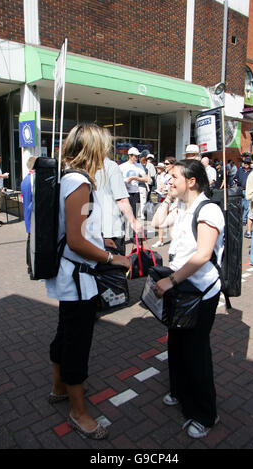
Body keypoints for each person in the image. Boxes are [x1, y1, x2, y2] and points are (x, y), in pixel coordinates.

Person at [46, 124, 130, 440]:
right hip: (77, 278)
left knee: (65, 332)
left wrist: (101, 243)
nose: (107, 153)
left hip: (69, 276)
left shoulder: (67, 178)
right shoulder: (80, 182)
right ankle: (79, 412)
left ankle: (59, 387)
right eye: (104, 148)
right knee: (77, 343)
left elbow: (78, 234)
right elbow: (76, 241)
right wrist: (113, 258)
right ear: (94, 150)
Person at [151, 159, 224, 439]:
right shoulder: (182, 205)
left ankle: (206, 414)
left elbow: (203, 255)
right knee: (177, 345)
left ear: (191, 181)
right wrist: (166, 199)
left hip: (200, 293)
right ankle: (180, 392)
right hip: (181, 289)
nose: (167, 180)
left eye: (172, 177)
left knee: (196, 353)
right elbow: (157, 223)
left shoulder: (209, 210)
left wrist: (171, 280)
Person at [95, 148, 143, 256]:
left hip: (91, 230)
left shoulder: (82, 166)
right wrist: (133, 222)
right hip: (111, 229)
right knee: (116, 267)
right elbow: (121, 199)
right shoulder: (111, 166)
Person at [119, 147, 148, 221]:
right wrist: (124, 185)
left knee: (133, 214)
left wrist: (134, 178)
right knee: (124, 214)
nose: (137, 158)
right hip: (124, 193)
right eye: (135, 156)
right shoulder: (122, 166)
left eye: (138, 156)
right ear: (130, 156)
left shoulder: (139, 166)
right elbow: (117, 180)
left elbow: (146, 179)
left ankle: (132, 231)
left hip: (135, 193)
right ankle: (123, 231)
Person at [21, 156, 38, 277]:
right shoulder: (32, 180)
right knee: (31, 241)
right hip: (32, 215)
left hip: (29, 215)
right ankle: (31, 267)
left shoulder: (26, 179)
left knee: (30, 240)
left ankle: (30, 266)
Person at [234, 156, 253, 225]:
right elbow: (235, 178)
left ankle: (244, 220)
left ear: (250, 164)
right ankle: (239, 218)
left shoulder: (252, 171)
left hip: (248, 190)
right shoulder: (240, 170)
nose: (246, 164)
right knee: (240, 206)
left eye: (247, 163)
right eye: (245, 163)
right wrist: (236, 182)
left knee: (246, 206)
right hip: (240, 190)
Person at [152, 162, 167, 248]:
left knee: (162, 219)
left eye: (159, 167)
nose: (158, 169)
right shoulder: (156, 175)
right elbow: (156, 186)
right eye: (157, 167)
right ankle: (160, 239)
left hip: (165, 198)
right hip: (157, 195)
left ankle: (161, 240)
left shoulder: (166, 176)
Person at [137, 156, 149, 221]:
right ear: (145, 161)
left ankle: (137, 213)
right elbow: (146, 179)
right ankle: (142, 215)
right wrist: (148, 187)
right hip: (142, 186)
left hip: (136, 186)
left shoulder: (137, 167)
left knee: (137, 200)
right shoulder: (145, 168)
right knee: (143, 201)